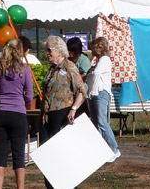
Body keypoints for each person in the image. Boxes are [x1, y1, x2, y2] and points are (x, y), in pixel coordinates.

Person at [40, 35, 86, 189]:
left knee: (62, 155)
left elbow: (81, 91)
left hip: (62, 115)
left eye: (49, 49)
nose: (47, 53)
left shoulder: (69, 67)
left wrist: (73, 109)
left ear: (59, 51)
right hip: (47, 117)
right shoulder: (52, 69)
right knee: (47, 156)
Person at [0, 38, 32, 189]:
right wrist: (20, 99)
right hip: (18, 113)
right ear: (20, 50)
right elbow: (30, 96)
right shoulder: (25, 70)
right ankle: (21, 187)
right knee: (18, 154)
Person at [85, 37, 120, 162]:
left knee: (101, 122)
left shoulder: (104, 60)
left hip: (101, 93)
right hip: (95, 94)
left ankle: (114, 149)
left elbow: (97, 73)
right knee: (96, 123)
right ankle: (99, 150)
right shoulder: (100, 60)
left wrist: (92, 89)